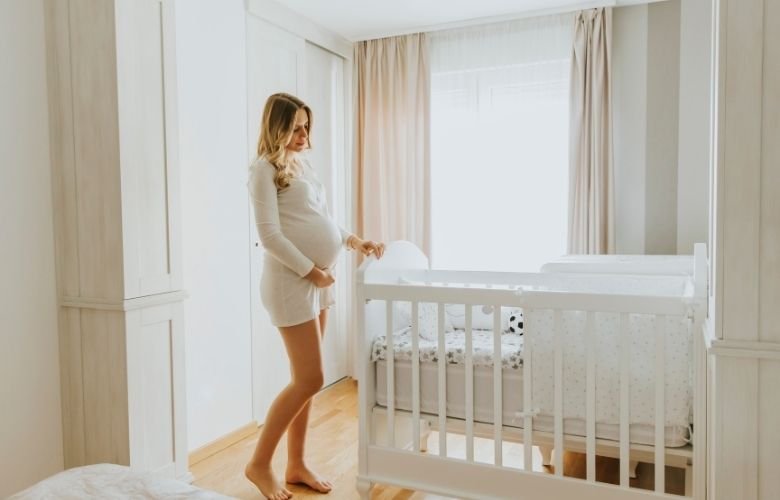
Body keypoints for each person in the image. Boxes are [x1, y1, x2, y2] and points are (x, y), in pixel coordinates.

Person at [244, 92, 385, 500]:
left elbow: (320, 220)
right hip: (291, 284)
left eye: (307, 126)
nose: (304, 135)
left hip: (315, 282)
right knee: (311, 378)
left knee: (304, 382)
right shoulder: (263, 171)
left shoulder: (300, 165)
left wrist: (355, 240)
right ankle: (258, 464)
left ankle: (296, 463)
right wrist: (313, 271)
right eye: (296, 127)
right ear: (277, 128)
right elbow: (270, 235)